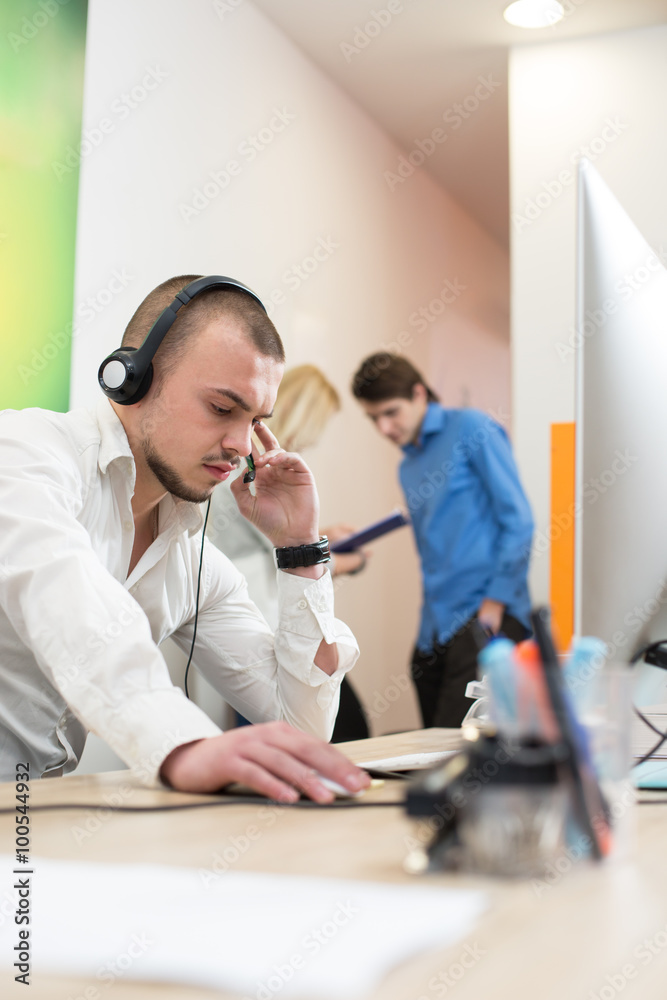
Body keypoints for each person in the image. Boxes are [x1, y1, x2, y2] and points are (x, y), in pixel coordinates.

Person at [0, 274, 370, 803]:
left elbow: (302, 726)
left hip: (28, 823)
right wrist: (181, 745)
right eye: (222, 408)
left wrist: (300, 549)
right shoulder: (23, 455)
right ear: (133, 379)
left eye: (255, 420)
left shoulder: (193, 561)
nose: (241, 445)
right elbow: (75, 613)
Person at [351, 352, 534, 728]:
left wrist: (496, 600)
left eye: (390, 412)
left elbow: (519, 520)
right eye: (373, 419)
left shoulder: (472, 428)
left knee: (458, 750)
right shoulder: (408, 465)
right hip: (435, 624)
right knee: (430, 744)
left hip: (486, 614)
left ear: (419, 394)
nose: (384, 428)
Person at [207, 364, 370, 742]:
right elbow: (269, 554)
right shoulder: (241, 471)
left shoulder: (264, 473)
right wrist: (344, 559)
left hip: (273, 623)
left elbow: (277, 541)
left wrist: (317, 538)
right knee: (298, 732)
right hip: (258, 625)